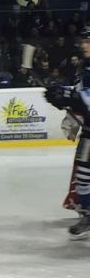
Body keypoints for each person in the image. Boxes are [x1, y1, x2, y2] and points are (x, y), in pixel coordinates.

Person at [45, 26, 90, 239]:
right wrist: (63, 94)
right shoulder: (86, 67)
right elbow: (82, 94)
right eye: (84, 41)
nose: (84, 45)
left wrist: (71, 98)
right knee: (82, 176)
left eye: (88, 41)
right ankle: (88, 215)